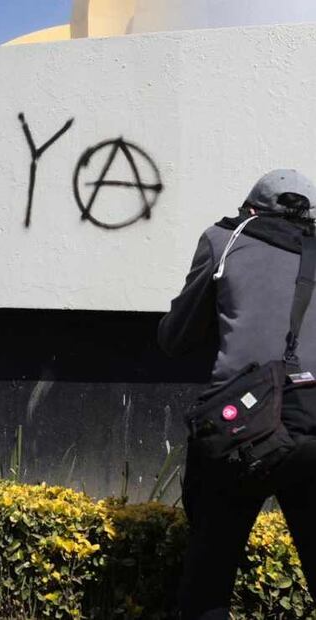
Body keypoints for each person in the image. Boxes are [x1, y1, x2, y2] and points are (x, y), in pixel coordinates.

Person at [159, 169, 316, 619]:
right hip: (312, 423)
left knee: (208, 579)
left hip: (240, 426)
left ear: (251, 209)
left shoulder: (224, 240)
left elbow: (176, 337)